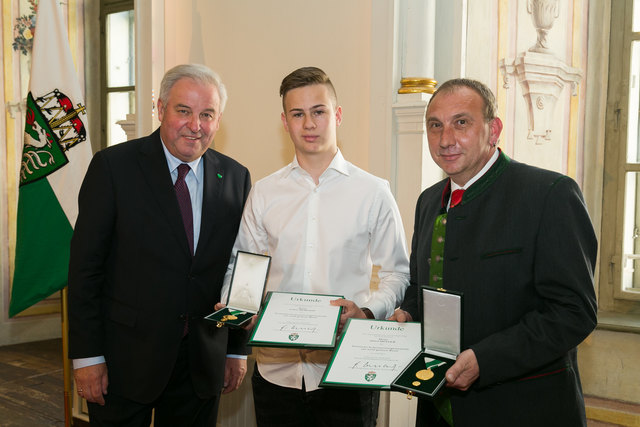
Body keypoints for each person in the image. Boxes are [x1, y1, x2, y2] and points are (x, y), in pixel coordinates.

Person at [392, 78, 597, 427]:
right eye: (435, 125)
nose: (446, 139)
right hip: (437, 407)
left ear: (493, 130)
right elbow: (423, 287)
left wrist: (485, 359)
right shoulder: (428, 201)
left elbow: (574, 312)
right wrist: (408, 315)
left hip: (522, 408)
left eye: (461, 122)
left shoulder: (549, 194)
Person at [221, 66, 410, 427]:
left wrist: (367, 312)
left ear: (336, 115)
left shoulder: (373, 192)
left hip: (348, 371)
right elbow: (244, 267)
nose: (309, 123)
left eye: (319, 111)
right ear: (285, 121)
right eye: (298, 113)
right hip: (276, 374)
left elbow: (397, 273)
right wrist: (239, 307)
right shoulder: (264, 192)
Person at [68, 63, 251, 426]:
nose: (195, 125)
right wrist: (87, 357)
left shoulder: (235, 177)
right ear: (161, 108)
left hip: (201, 363)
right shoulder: (113, 168)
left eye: (207, 114)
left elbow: (241, 268)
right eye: (183, 111)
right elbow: (86, 269)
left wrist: (236, 350)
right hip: (124, 361)